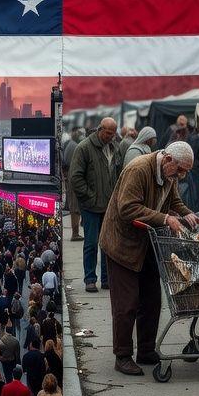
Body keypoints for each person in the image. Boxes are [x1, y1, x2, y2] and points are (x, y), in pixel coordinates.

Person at [97, 141, 199, 374]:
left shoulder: (169, 175)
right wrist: (165, 219)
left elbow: (173, 201)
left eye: (185, 172)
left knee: (152, 300)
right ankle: (122, 355)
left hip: (146, 244)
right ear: (167, 160)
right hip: (122, 245)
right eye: (180, 170)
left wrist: (187, 214)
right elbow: (127, 208)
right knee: (127, 304)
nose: (182, 176)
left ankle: (145, 349)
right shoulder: (138, 169)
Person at [69, 117, 122, 293]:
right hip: (91, 206)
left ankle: (107, 279)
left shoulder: (114, 147)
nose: (110, 137)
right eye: (108, 133)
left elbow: (118, 173)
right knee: (91, 243)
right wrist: (89, 197)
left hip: (108, 206)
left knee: (107, 245)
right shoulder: (84, 148)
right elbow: (75, 178)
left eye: (113, 134)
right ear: (100, 129)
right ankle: (90, 279)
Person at [62, 129, 85, 242]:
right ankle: (75, 234)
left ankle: (75, 233)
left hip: (71, 178)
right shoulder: (75, 146)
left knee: (74, 208)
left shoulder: (71, 144)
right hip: (75, 180)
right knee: (75, 208)